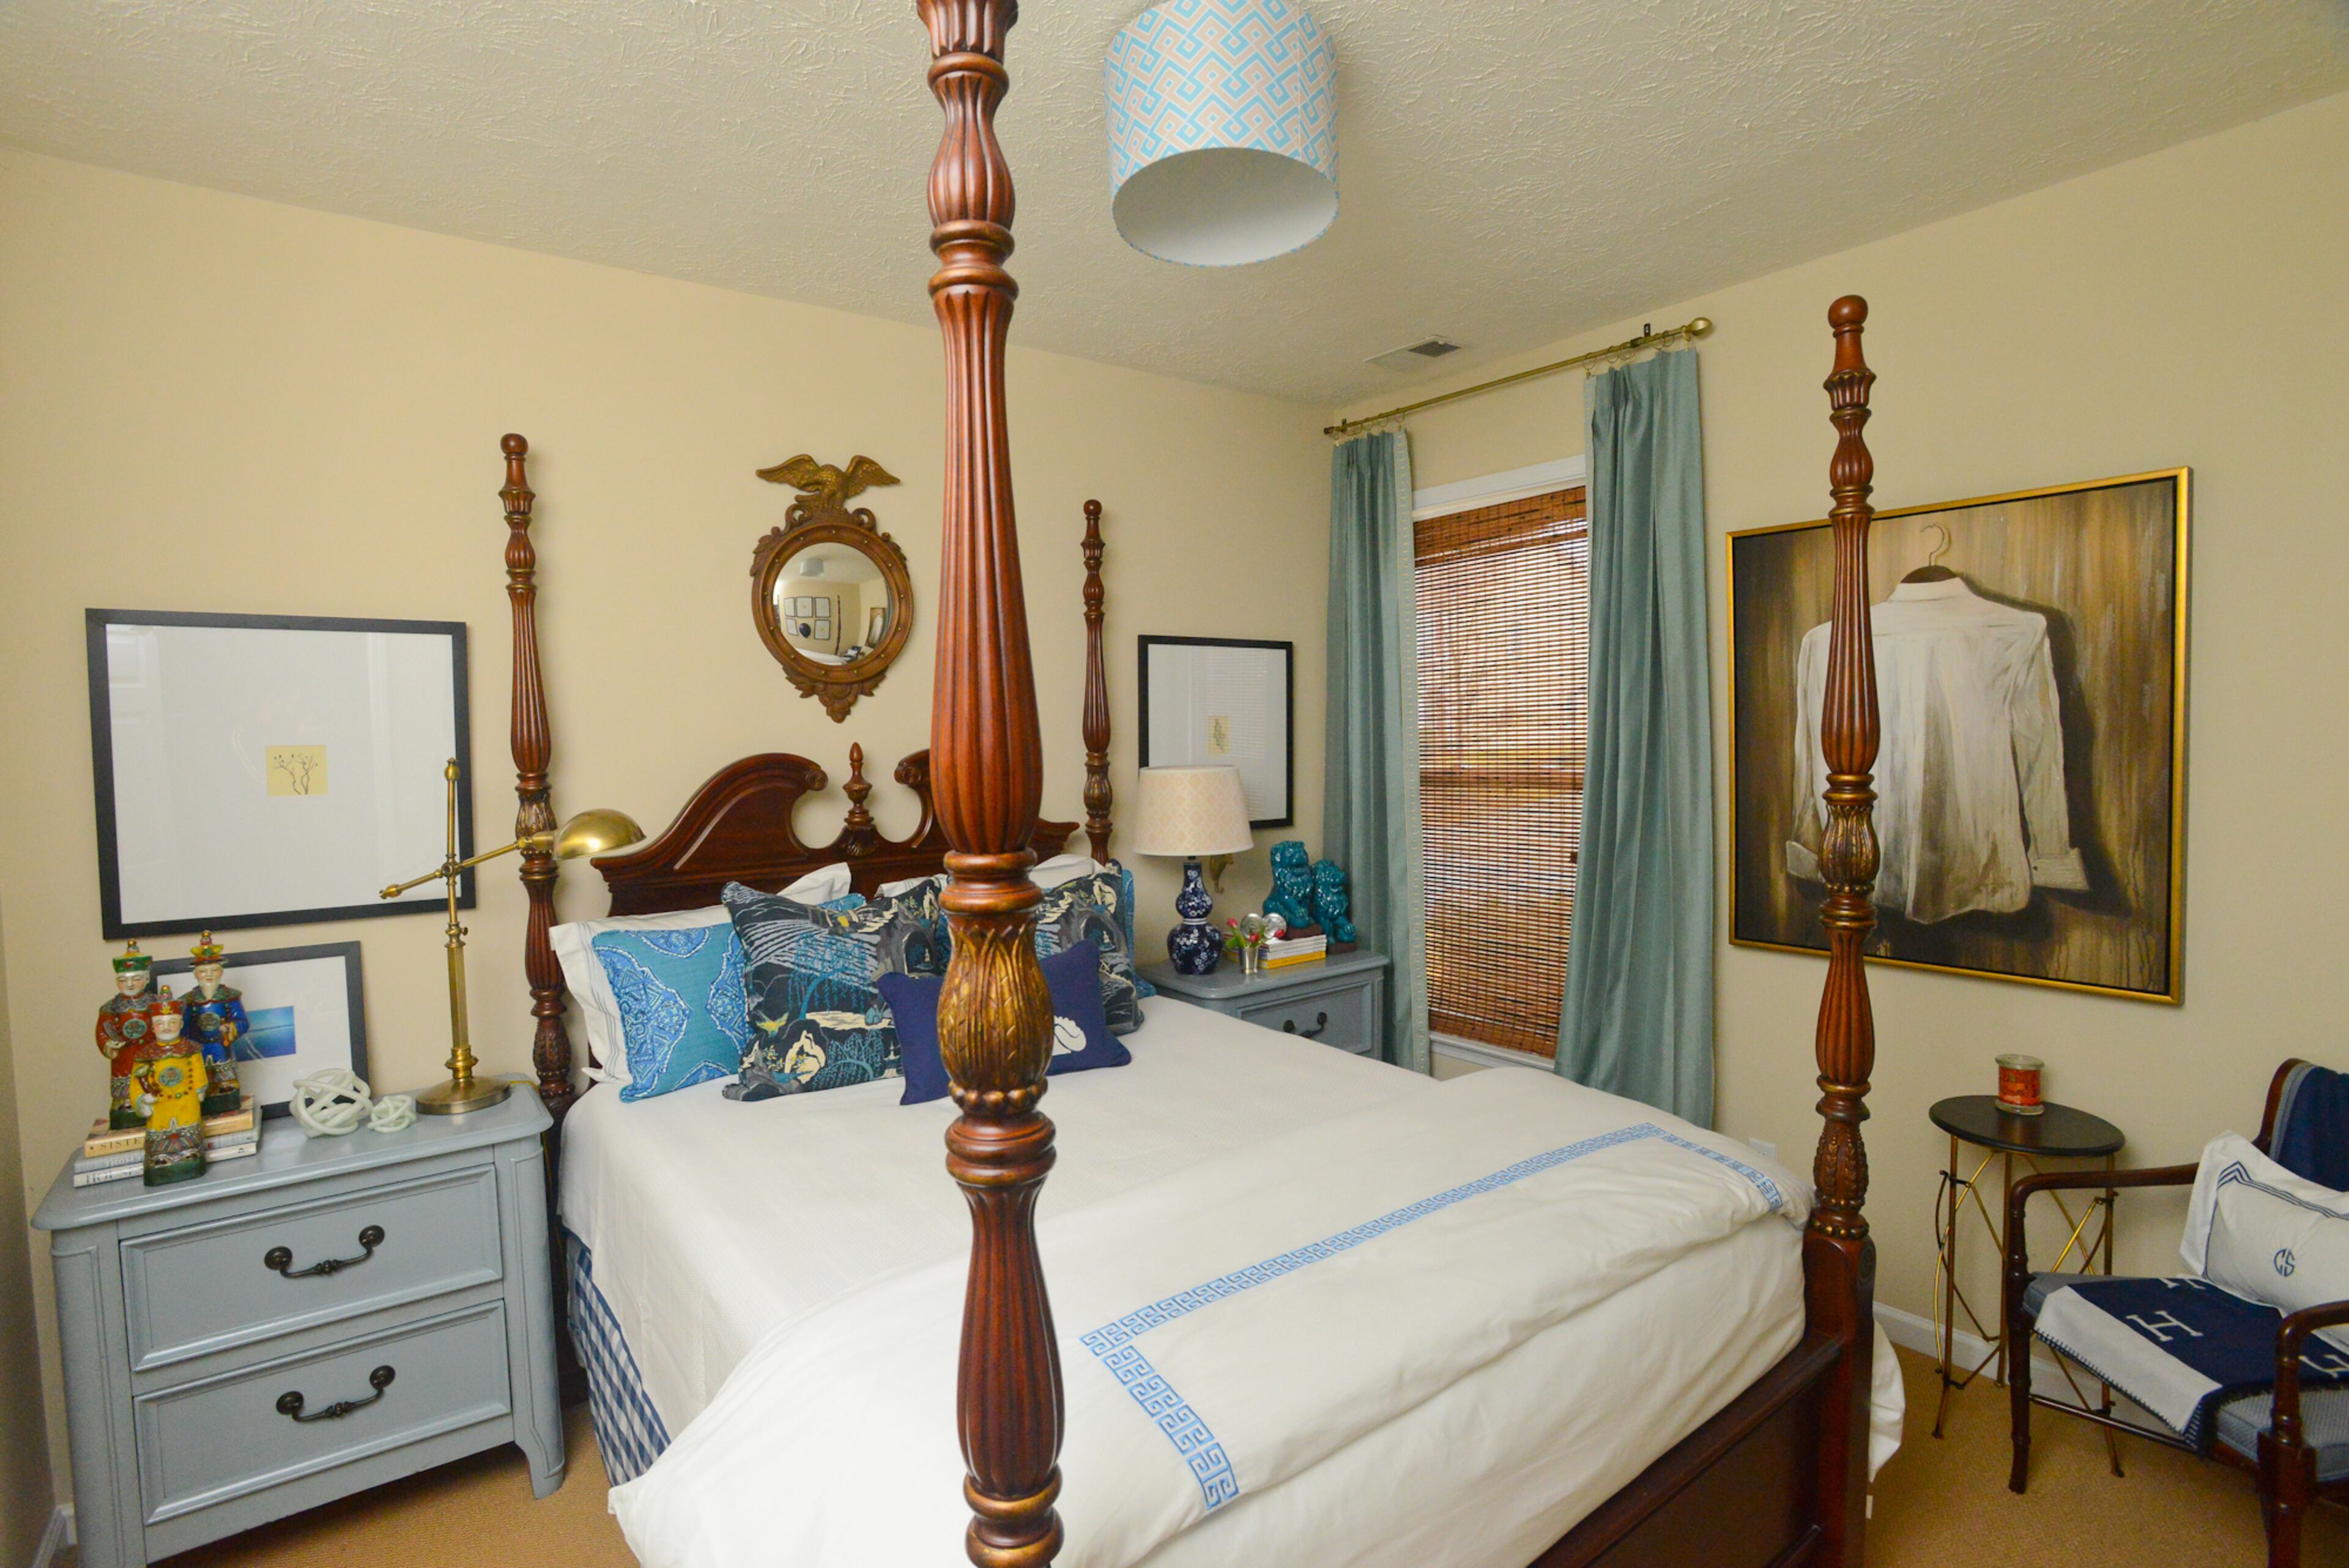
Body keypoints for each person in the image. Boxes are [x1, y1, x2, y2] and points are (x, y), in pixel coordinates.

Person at [179, 932, 249, 1118]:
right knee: (201, 1083)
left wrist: (231, 1028)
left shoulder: (230, 997)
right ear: (196, 974)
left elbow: (243, 1022)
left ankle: (228, 1101)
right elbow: (183, 1028)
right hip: (198, 1049)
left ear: (221, 971)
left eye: (213, 970)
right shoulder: (189, 1000)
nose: (208, 975)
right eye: (203, 971)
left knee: (226, 1083)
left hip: (221, 1046)